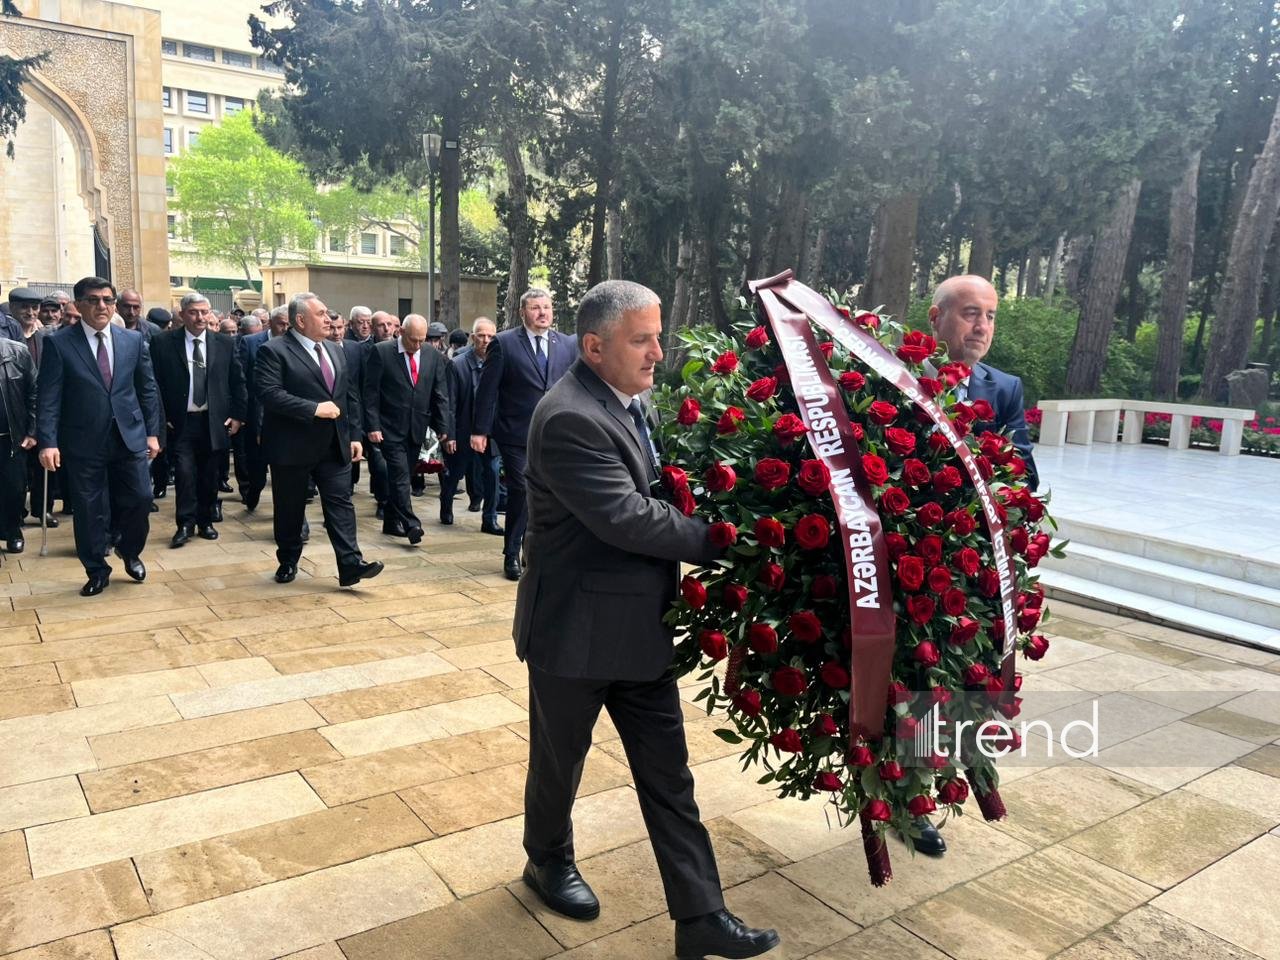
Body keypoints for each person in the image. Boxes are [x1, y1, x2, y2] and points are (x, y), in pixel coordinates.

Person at [516, 280, 779, 959]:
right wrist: (725, 539)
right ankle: (546, 859)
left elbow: (659, 484)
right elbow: (628, 518)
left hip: (640, 631)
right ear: (596, 346)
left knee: (670, 776)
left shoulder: (630, 400)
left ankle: (700, 916)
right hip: (574, 634)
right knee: (558, 766)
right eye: (642, 339)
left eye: (659, 335)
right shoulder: (569, 415)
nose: (658, 352)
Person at [36, 277, 161, 596]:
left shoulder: (132, 340)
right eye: (93, 300)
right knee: (90, 508)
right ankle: (96, 568)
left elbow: (147, 389)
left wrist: (152, 433)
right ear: (77, 305)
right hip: (82, 441)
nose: (101, 306)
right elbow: (49, 395)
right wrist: (48, 441)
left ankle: (129, 550)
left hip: (128, 436)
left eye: (107, 299)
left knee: (141, 498)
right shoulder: (59, 343)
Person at [254, 292, 382, 587]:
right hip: (292, 446)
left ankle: (350, 564)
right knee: (290, 508)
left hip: (333, 444)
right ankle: (288, 558)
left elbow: (348, 396)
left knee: (341, 504)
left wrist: (353, 435)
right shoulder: (274, 351)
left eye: (327, 313)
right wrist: (313, 409)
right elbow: (269, 394)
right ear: (300, 320)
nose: (329, 319)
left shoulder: (335, 350)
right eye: (321, 314)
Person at [474, 288, 577, 580]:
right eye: (535, 307)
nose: (542, 312)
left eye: (546, 307)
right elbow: (487, 390)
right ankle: (511, 552)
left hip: (555, 433)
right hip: (515, 433)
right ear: (522, 312)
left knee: (552, 492)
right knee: (521, 488)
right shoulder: (504, 344)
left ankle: (539, 549)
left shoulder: (566, 344)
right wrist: (479, 430)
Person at [151, 293, 246, 547]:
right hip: (180, 421)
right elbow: (155, 385)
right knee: (184, 474)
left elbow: (237, 382)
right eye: (193, 312)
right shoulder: (163, 343)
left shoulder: (224, 343)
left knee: (209, 473)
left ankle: (205, 521)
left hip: (214, 421)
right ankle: (185, 523)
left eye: (204, 312)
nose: (200, 317)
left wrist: (238, 415)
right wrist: (163, 418)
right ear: (182, 315)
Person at [928, 275, 1039, 491]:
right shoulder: (894, 377)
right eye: (971, 314)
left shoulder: (1006, 389)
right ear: (935, 317)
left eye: (990, 317)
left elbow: (1026, 477)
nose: (982, 327)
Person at [363, 314, 452, 542]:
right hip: (389, 427)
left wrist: (443, 426)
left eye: (422, 340)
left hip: (417, 427)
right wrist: (372, 425)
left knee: (402, 475)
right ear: (401, 332)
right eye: (413, 339)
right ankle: (412, 524)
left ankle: (391, 523)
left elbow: (439, 393)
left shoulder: (432, 355)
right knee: (401, 476)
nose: (418, 345)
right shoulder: (382, 352)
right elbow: (370, 393)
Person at [442, 317, 500, 534]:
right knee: (455, 473)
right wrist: (450, 435)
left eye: (491, 336)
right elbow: (449, 402)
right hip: (463, 430)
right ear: (473, 337)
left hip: (490, 431)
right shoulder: (457, 364)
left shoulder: (500, 362)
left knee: (493, 473)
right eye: (481, 335)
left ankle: (490, 518)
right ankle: (446, 505)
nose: (486, 340)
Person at [237, 305, 289, 512]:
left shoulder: (295, 345)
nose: (285, 328)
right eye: (281, 324)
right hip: (256, 414)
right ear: (269, 324)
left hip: (286, 416)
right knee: (257, 470)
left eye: (288, 324)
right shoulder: (250, 343)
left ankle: (294, 517)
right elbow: (240, 380)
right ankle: (253, 492)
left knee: (286, 472)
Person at [0, 334, 37, 553]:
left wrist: (32, 430)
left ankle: (13, 530)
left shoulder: (16, 352)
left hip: (10, 436)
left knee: (14, 488)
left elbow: (34, 391)